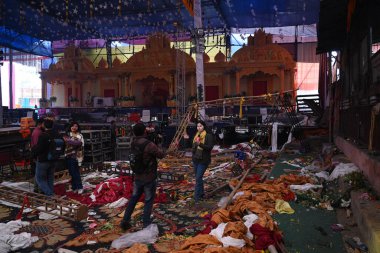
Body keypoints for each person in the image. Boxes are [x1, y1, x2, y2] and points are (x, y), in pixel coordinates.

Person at [120, 122, 165, 231]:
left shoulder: (133, 142)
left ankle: (125, 221)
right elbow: (161, 154)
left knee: (133, 199)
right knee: (148, 200)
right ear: (144, 131)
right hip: (149, 177)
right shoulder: (149, 144)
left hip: (137, 176)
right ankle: (146, 225)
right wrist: (158, 143)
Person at [184, 120, 214, 202]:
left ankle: (196, 198)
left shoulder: (208, 136)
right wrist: (186, 139)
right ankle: (201, 194)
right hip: (195, 160)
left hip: (204, 160)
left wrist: (200, 144)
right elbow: (191, 147)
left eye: (200, 126)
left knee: (198, 178)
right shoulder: (196, 135)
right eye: (198, 126)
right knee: (198, 178)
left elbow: (209, 148)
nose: (199, 127)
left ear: (204, 126)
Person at [31, 118, 56, 196]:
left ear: (44, 125)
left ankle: (50, 195)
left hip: (43, 160)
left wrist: (33, 154)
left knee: (40, 179)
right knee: (50, 178)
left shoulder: (42, 135)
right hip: (53, 159)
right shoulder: (57, 134)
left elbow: (39, 148)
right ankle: (49, 195)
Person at [63, 121, 84, 194]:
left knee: (76, 173)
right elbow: (74, 143)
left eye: (76, 126)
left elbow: (80, 143)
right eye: (73, 126)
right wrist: (74, 141)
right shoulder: (67, 134)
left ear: (78, 128)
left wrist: (70, 141)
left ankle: (80, 187)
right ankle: (74, 187)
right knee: (71, 173)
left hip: (77, 157)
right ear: (70, 127)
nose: (74, 127)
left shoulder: (80, 135)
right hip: (68, 156)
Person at [30, 118, 45, 193]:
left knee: (38, 172)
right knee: (40, 174)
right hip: (37, 155)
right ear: (41, 124)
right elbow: (36, 146)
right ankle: (39, 190)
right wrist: (37, 156)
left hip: (38, 154)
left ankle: (36, 189)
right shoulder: (37, 132)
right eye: (44, 124)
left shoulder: (39, 131)